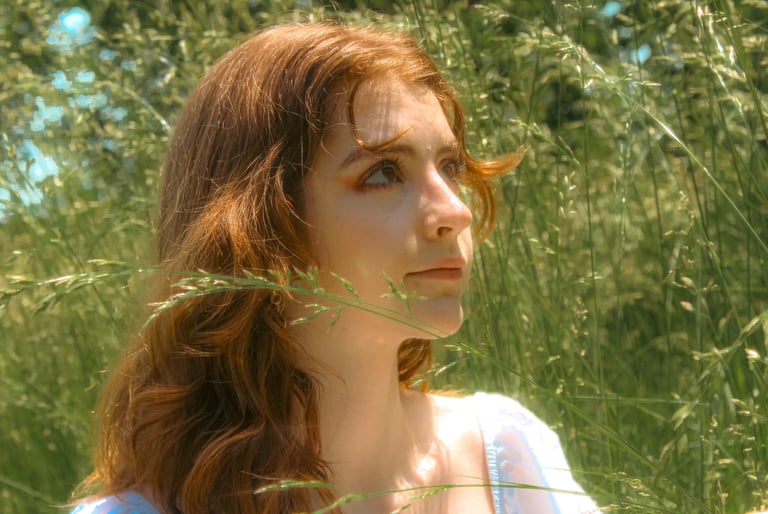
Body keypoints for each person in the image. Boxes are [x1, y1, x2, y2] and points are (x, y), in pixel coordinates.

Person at [70, 23, 600, 514]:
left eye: (451, 166)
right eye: (384, 173)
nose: (456, 212)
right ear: (259, 226)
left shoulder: (510, 458)